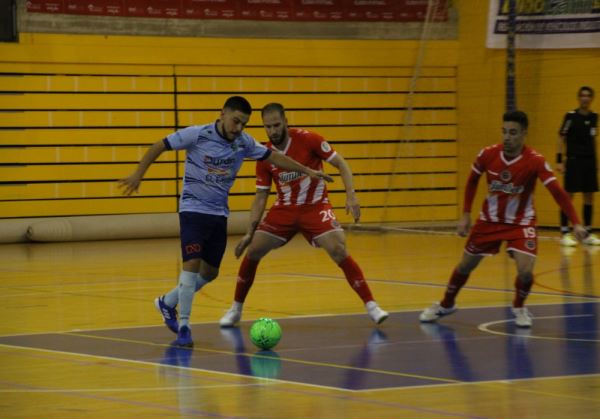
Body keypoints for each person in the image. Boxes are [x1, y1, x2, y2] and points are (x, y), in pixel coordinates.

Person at [119, 96, 333, 347]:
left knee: (210, 273)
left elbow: (274, 158)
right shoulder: (197, 135)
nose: (238, 128)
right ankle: (184, 327)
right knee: (192, 263)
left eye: (243, 123)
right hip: (192, 209)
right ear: (222, 114)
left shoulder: (244, 142)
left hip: (219, 213)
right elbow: (159, 145)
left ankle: (167, 302)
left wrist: (307, 170)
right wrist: (138, 174)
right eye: (235, 121)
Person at [219, 102, 388, 327]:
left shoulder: (310, 139)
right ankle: (236, 309)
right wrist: (250, 232)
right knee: (254, 250)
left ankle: (372, 305)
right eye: (267, 127)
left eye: (277, 125)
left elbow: (342, 165)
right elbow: (261, 197)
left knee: (338, 249)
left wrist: (351, 195)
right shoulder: (265, 154)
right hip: (284, 210)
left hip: (315, 207)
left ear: (286, 122)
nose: (273, 131)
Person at [419, 110, 586, 328]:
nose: (507, 137)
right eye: (504, 132)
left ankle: (519, 307)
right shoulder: (488, 154)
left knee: (526, 272)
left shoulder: (534, 161)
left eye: (513, 133)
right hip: (489, 221)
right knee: (465, 266)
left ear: (524, 134)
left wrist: (576, 222)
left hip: (521, 223)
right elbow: (472, 181)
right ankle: (446, 303)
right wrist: (466, 214)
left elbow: (557, 192)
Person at [557, 86, 599, 246]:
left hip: (589, 161)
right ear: (579, 98)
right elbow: (561, 137)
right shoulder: (570, 116)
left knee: (589, 196)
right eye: (582, 95)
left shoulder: (595, 117)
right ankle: (565, 232)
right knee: (568, 196)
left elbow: (593, 139)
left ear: (591, 98)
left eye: (588, 96)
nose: (585, 98)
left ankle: (587, 232)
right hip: (573, 160)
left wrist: (596, 162)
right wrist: (560, 160)